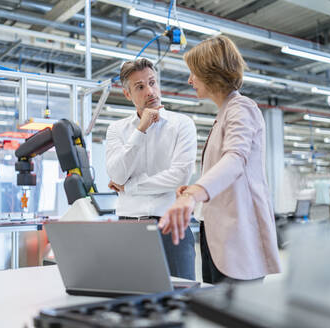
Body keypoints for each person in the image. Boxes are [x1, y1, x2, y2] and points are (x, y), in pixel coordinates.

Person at [158, 35, 282, 284]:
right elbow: (225, 170)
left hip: (238, 237)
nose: (189, 80)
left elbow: (235, 160)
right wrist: (194, 188)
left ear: (210, 72)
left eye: (193, 73)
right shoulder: (225, 113)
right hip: (216, 235)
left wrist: (194, 193)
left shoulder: (241, 108)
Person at [105, 58, 197, 280]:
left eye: (153, 83)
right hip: (129, 227)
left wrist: (130, 186)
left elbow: (180, 176)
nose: (150, 91)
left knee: (180, 298)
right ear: (128, 94)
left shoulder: (182, 124)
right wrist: (141, 129)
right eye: (140, 87)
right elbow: (117, 175)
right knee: (130, 298)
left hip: (171, 225)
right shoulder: (117, 129)